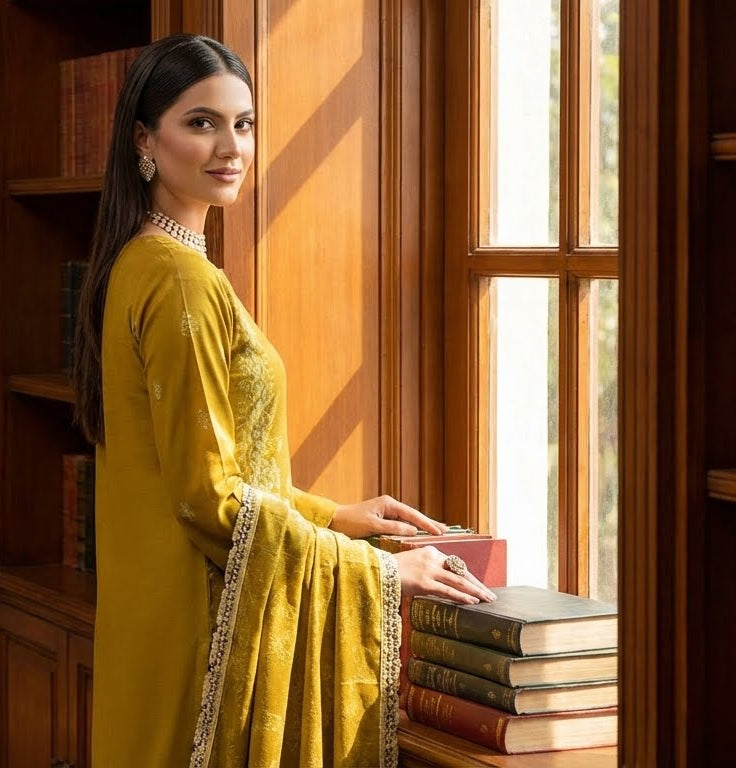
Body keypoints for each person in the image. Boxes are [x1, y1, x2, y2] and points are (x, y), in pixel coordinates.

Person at [73, 33, 495, 768]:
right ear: (144, 139)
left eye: (243, 123)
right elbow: (208, 498)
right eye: (199, 122)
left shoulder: (137, 261)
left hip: (150, 627)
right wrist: (383, 571)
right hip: (201, 642)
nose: (229, 146)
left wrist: (335, 514)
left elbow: (214, 472)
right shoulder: (179, 281)